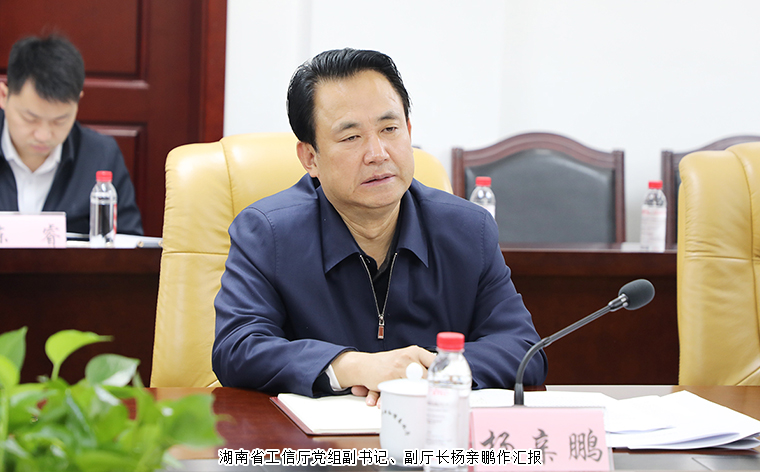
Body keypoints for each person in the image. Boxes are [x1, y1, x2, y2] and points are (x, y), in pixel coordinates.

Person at [213, 48, 547, 404]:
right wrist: (352, 366)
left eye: (390, 129)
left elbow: (523, 349)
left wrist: (429, 371)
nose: (378, 153)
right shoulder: (267, 233)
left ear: (409, 132)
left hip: (431, 432)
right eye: (351, 137)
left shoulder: (468, 229)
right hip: (313, 438)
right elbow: (238, 347)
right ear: (310, 158)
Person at [0, 35, 142, 235]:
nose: (43, 135)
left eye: (59, 121)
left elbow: (127, 242)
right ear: (4, 96)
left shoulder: (101, 156)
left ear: (77, 103)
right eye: (30, 118)